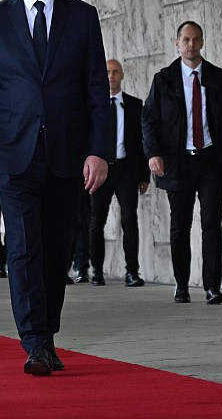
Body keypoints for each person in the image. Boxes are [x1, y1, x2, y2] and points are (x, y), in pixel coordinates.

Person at [0, 0, 111, 376]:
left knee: (56, 249)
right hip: (13, 154)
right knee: (23, 248)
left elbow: (95, 90)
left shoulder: (82, 16)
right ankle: (36, 341)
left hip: (68, 154)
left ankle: (47, 330)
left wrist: (99, 150)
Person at [142, 20, 222, 305]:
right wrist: (153, 154)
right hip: (178, 161)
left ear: (202, 43)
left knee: (212, 224)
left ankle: (213, 287)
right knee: (180, 226)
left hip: (211, 159)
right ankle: (182, 285)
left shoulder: (218, 78)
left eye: (196, 39)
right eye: (185, 40)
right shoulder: (164, 79)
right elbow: (149, 119)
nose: (191, 45)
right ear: (177, 44)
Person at [88, 59, 150, 286]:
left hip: (126, 168)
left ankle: (132, 272)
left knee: (129, 219)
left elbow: (142, 141)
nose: (111, 76)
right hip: (102, 168)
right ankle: (97, 271)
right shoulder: (92, 105)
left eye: (115, 72)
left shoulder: (134, 105)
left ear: (122, 75)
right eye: (107, 72)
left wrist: (144, 175)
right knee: (96, 221)